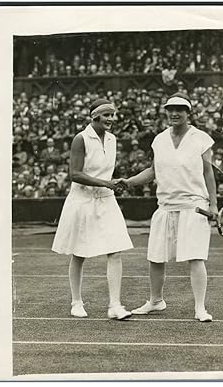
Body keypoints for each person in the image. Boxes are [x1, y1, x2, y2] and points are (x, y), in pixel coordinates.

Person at [119, 93, 218, 322]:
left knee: (195, 257)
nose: (174, 113)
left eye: (180, 109)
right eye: (170, 109)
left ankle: (200, 308)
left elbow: (208, 172)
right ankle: (156, 301)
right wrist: (129, 181)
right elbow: (153, 171)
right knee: (155, 257)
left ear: (188, 113)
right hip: (164, 206)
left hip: (193, 206)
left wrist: (213, 203)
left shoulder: (201, 138)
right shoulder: (159, 139)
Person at [52, 98, 133, 320]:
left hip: (106, 199)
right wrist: (107, 183)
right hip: (82, 200)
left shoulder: (113, 139)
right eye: (106, 115)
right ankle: (76, 302)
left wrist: (113, 183)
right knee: (79, 253)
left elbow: (104, 173)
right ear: (95, 116)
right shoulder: (81, 139)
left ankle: (115, 305)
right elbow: (75, 174)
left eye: (113, 115)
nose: (110, 119)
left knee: (115, 250)